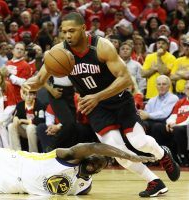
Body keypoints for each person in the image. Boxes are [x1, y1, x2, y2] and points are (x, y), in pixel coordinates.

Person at [22, 12, 180, 197]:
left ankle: (163, 154)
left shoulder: (101, 47)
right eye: (64, 31)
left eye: (72, 31)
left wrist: (97, 96)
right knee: (116, 150)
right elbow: (40, 78)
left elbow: (125, 79)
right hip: (95, 107)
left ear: (83, 28)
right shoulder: (59, 52)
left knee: (139, 142)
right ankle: (154, 182)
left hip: (119, 100)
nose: (67, 35)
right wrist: (28, 85)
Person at [0, 142, 156, 195]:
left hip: (11, 186)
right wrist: (129, 156)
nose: (94, 164)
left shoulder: (84, 187)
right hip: (13, 161)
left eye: (98, 165)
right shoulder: (69, 156)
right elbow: (94, 146)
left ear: (99, 171)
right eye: (93, 159)